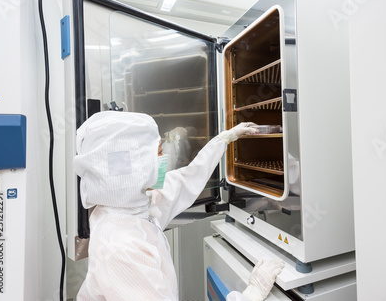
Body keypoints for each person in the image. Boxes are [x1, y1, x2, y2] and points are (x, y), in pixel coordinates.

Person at [73, 111, 284, 301]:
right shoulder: (121, 247)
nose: (163, 158)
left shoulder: (131, 205)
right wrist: (250, 295)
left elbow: (187, 178)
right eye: (157, 152)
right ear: (132, 168)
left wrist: (224, 139)